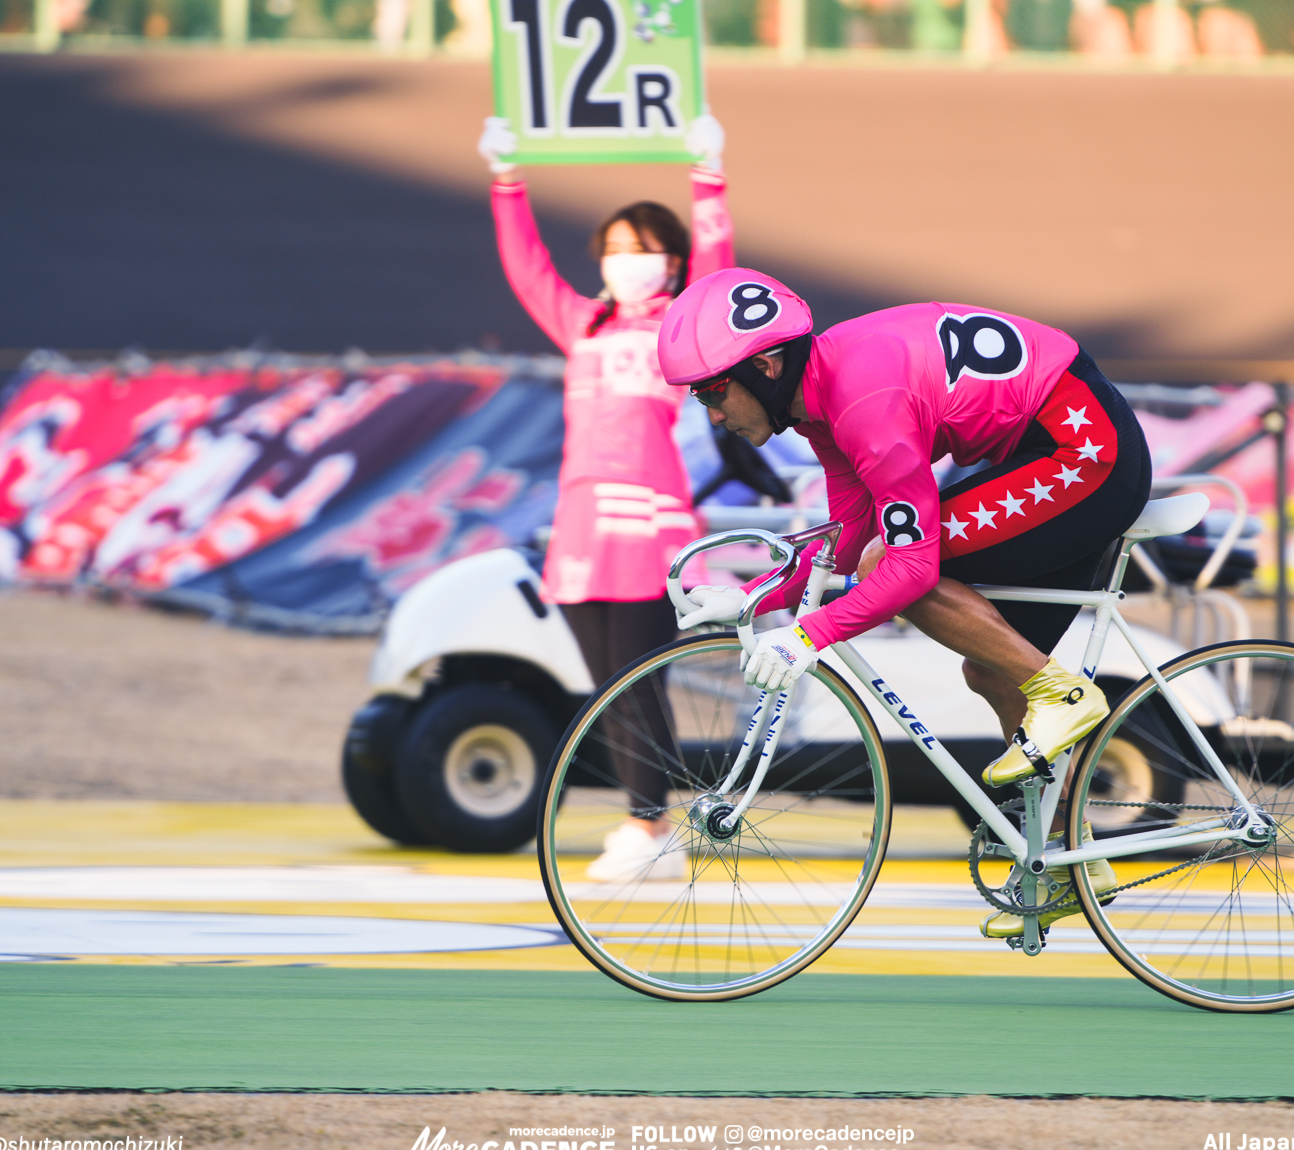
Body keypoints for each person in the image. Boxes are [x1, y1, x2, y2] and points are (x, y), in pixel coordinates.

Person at [661, 267, 1151, 938]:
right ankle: (1067, 855)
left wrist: (807, 638)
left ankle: (1064, 695)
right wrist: (751, 598)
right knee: (988, 666)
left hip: (1083, 450)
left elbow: (909, 566)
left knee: (896, 567)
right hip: (1055, 444)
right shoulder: (818, 405)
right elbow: (846, 535)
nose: (712, 413)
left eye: (715, 391)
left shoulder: (862, 399)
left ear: (768, 365)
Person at [477, 111, 733, 883]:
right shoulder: (581, 322)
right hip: (583, 524)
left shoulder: (682, 329)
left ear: (673, 259)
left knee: (639, 674)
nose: (629, 261)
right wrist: (506, 181)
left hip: (648, 519)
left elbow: (719, 269)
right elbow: (526, 270)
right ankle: (648, 822)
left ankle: (649, 822)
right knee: (605, 684)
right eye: (616, 250)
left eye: (645, 247)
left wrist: (709, 180)